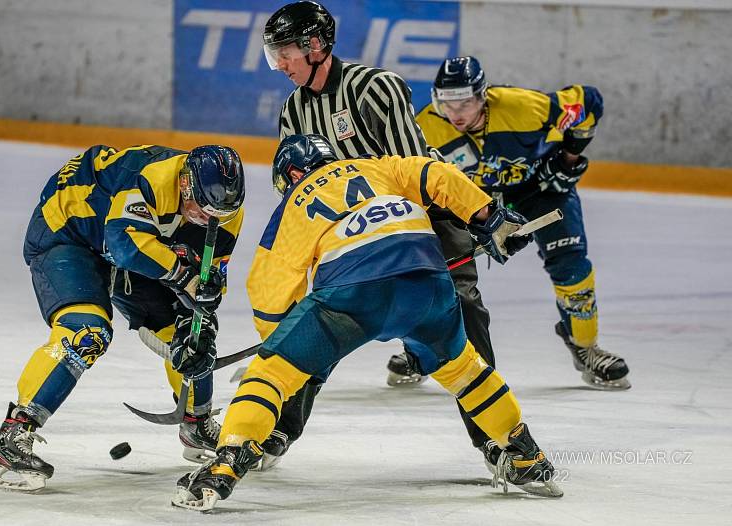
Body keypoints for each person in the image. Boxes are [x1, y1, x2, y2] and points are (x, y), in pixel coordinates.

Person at [170, 134, 562, 512]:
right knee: (465, 371)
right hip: (428, 281)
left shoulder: (296, 201)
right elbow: (437, 175)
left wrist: (284, 344)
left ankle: (227, 463)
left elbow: (269, 284)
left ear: (291, 175)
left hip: (354, 292)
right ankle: (525, 453)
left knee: (270, 372)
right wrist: (488, 215)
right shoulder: (377, 167)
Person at [258, 0, 499, 470]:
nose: (280, 65)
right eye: (275, 55)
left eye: (284, 52)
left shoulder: (374, 88)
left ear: (315, 45)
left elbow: (419, 173)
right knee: (319, 318)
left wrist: (475, 221)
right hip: (350, 233)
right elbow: (292, 186)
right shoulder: (294, 109)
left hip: (418, 217)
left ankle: (494, 439)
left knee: (465, 311)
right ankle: (279, 428)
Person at [0, 144, 245, 492]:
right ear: (183, 184)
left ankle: (196, 422)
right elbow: (124, 245)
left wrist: (201, 315)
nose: (210, 219)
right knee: (87, 331)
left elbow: (208, 279)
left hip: (139, 242)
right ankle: (14, 434)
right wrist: (184, 279)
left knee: (189, 334)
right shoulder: (151, 178)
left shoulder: (221, 208)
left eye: (220, 213)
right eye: (203, 209)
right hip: (69, 234)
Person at [416, 56, 629, 390]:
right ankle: (425, 351)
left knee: (572, 266)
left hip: (539, 192)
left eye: (466, 102)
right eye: (447, 103)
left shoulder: (523, 107)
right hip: (477, 204)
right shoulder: (424, 127)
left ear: (482, 95)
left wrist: (567, 160)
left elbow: (589, 101)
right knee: (432, 270)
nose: (456, 113)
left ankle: (585, 347)